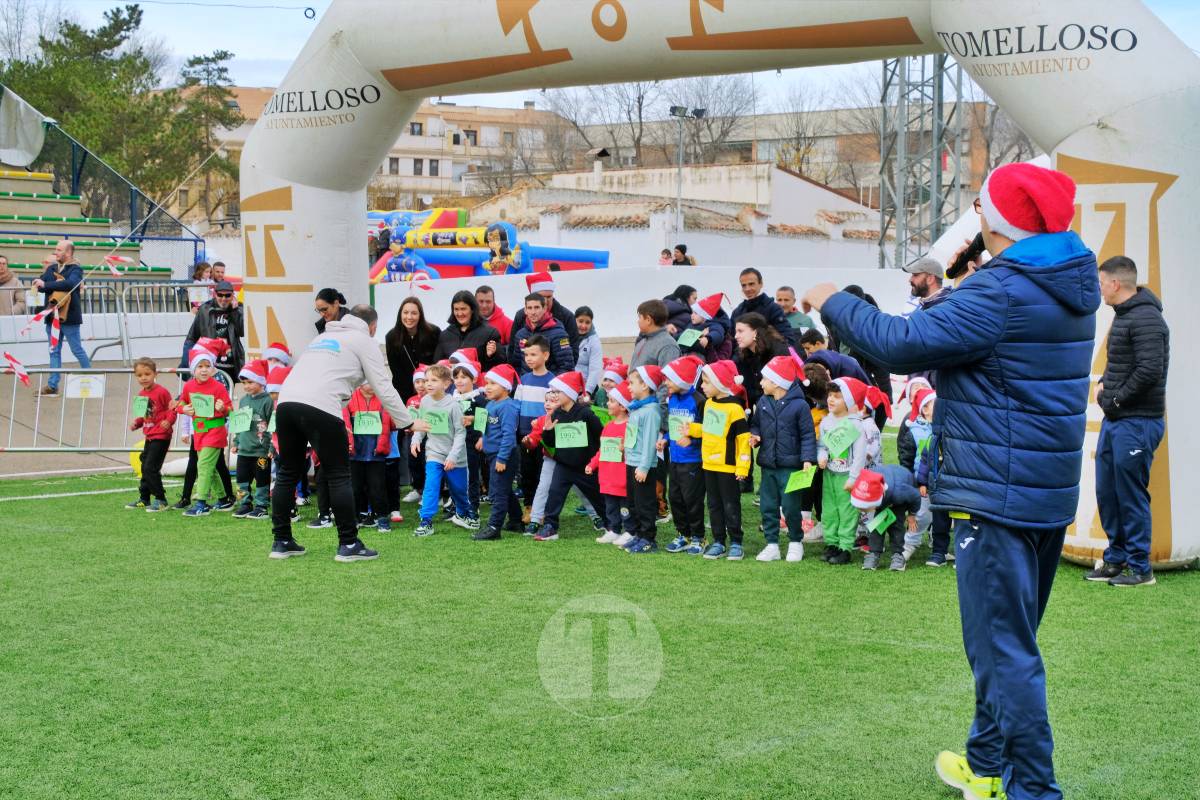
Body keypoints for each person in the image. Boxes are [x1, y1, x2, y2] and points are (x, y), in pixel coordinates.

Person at [805, 161, 1099, 800]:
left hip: (996, 493)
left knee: (1003, 655)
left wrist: (833, 300)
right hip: (1037, 492)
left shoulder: (1002, 290)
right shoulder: (1057, 280)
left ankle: (1032, 791)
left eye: (981, 205)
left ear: (995, 219)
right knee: (1007, 646)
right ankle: (987, 764)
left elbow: (902, 343)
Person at [270, 304, 425, 562]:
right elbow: (383, 387)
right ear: (372, 327)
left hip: (286, 405)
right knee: (339, 475)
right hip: (321, 406)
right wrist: (407, 422)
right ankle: (349, 544)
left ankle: (281, 541)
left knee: (286, 473)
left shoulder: (321, 338)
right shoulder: (364, 341)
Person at [1089, 255, 1169, 587]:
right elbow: (1126, 362)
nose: (1099, 288)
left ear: (1115, 283)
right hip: (1117, 421)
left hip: (1137, 422)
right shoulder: (1125, 316)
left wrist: (1116, 397)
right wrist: (1105, 383)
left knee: (1130, 494)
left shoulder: (1147, 318)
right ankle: (1116, 559)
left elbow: (1150, 370)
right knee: (1108, 491)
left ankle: (1140, 568)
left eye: (1101, 282)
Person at [751, 355, 817, 563]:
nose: (761, 383)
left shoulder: (800, 406)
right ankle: (771, 544)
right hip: (768, 464)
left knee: (790, 506)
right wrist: (755, 435)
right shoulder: (763, 402)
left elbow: (808, 435)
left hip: (791, 466)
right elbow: (756, 424)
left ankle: (795, 542)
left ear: (777, 382)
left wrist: (807, 459)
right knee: (768, 505)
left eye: (765, 379)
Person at [537, 371, 606, 541]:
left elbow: (600, 435)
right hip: (563, 465)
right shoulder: (556, 414)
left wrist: (594, 461)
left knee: (597, 497)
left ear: (569, 393)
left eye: (557, 392)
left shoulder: (586, 413)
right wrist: (547, 432)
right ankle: (550, 527)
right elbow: (551, 442)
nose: (554, 395)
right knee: (554, 494)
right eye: (552, 392)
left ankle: (611, 524)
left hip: (585, 467)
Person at [630, 299, 681, 520]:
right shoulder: (642, 340)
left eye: (639, 316)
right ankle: (643, 502)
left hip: (655, 412)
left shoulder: (667, 345)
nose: (637, 321)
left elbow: (666, 382)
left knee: (656, 458)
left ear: (648, 319)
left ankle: (660, 505)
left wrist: (656, 410)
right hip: (639, 408)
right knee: (640, 453)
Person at [411, 363, 475, 536]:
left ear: (446, 384)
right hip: (434, 453)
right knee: (431, 486)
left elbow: (461, 434)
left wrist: (453, 456)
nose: (428, 384)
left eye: (434, 380)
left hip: (456, 458)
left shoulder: (454, 405)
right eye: (426, 380)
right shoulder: (424, 401)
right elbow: (421, 424)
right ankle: (426, 521)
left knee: (459, 490)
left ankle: (463, 513)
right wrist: (415, 440)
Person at [696, 360, 751, 561]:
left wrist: (742, 466)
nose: (702, 386)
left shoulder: (735, 409)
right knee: (713, 504)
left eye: (706, 382)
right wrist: (691, 430)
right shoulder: (708, 404)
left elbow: (743, 440)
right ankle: (718, 541)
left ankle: (736, 542)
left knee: (730, 504)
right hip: (708, 464)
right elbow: (707, 429)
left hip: (728, 467)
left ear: (719, 384)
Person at [815, 378, 872, 565]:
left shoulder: (855, 425)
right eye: (830, 396)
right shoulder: (825, 422)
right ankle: (831, 543)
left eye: (837, 397)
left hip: (847, 476)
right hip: (830, 474)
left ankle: (845, 547)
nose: (831, 400)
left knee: (847, 512)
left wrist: (854, 478)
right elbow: (822, 445)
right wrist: (821, 456)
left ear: (848, 400)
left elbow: (860, 455)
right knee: (829, 510)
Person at [178, 343, 233, 517]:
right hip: (199, 433)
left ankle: (201, 503)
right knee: (211, 467)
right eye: (200, 366)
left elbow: (230, 409)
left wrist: (223, 407)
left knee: (203, 466)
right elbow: (180, 403)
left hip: (215, 431)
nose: (204, 370)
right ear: (193, 369)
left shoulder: (218, 387)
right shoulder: (188, 386)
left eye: (207, 366)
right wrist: (183, 409)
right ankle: (223, 500)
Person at [660, 355, 707, 556]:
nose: (665, 383)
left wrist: (693, 440)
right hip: (675, 458)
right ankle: (683, 534)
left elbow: (709, 431)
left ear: (681, 380)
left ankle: (698, 537)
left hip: (693, 461)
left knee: (692, 500)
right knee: (675, 498)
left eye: (669, 379)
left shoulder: (699, 401)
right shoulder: (672, 399)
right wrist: (666, 438)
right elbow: (675, 426)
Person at [32, 240, 90, 397]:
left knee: (76, 349)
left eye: (58, 250)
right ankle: (52, 385)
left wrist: (48, 284)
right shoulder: (52, 267)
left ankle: (90, 379)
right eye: (56, 249)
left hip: (69, 317)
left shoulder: (76, 269)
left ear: (68, 253)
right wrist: (52, 283)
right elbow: (41, 282)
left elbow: (70, 284)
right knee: (54, 351)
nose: (55, 252)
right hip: (52, 316)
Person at [474, 364, 522, 541]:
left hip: (504, 455)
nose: (487, 386)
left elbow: (508, 436)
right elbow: (488, 427)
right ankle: (516, 520)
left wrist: (502, 458)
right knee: (504, 489)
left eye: (493, 383)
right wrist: (482, 439)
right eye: (486, 382)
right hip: (493, 454)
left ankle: (494, 527)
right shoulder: (490, 404)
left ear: (505, 387)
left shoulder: (507, 407)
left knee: (497, 492)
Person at [621, 365, 665, 554]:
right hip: (632, 462)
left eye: (632, 383)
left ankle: (648, 539)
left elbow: (649, 441)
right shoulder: (637, 409)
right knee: (634, 502)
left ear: (645, 385)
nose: (628, 387)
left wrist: (644, 466)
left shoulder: (651, 411)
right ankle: (639, 534)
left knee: (645, 503)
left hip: (642, 465)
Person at [515, 335, 556, 529]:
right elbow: (516, 406)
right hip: (525, 437)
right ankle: (529, 507)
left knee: (543, 475)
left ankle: (544, 511)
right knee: (527, 473)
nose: (529, 358)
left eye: (533, 354)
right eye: (526, 355)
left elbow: (555, 409)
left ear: (546, 355)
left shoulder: (554, 382)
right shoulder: (523, 380)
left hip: (544, 438)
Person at [850, 467, 923, 572]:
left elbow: (916, 496)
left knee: (896, 525)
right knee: (877, 525)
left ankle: (898, 555)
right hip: (884, 495)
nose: (863, 511)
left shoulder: (899, 493)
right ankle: (873, 553)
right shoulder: (868, 485)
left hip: (899, 495)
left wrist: (912, 515)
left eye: (865, 508)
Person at [126, 357, 175, 512]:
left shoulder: (162, 392)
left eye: (147, 374)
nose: (144, 378)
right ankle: (144, 498)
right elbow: (143, 415)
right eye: (140, 375)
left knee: (150, 467)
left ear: (155, 374)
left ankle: (161, 499)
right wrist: (137, 423)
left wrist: (169, 421)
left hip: (161, 436)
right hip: (149, 436)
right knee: (144, 466)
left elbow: (172, 410)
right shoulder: (141, 394)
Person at [230, 359, 275, 520]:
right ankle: (245, 504)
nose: (247, 386)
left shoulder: (268, 401)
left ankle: (261, 506)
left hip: (261, 451)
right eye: (244, 382)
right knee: (242, 479)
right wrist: (236, 442)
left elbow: (272, 425)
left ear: (261, 381)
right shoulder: (243, 400)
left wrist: (272, 447)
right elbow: (239, 424)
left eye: (250, 381)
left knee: (262, 479)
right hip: (244, 450)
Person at [590, 382, 633, 544]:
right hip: (607, 476)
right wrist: (592, 464)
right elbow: (602, 450)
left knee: (625, 507)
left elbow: (631, 450)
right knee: (610, 506)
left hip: (621, 476)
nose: (607, 403)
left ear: (622, 406)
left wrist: (624, 450)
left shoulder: (629, 426)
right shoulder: (607, 426)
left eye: (612, 401)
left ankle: (630, 531)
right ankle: (614, 529)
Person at [509, 272, 580, 359]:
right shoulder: (521, 316)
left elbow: (573, 353)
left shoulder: (567, 316)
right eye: (542, 297)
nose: (546, 301)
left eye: (549, 296)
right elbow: (512, 349)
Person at [184, 280, 244, 380]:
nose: (223, 299)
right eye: (220, 295)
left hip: (230, 361)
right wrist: (186, 360)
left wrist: (234, 311)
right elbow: (192, 336)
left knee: (225, 392)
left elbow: (242, 332)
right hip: (209, 360)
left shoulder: (239, 309)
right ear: (215, 294)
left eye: (227, 295)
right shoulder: (205, 309)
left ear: (233, 295)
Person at [384, 296, 440, 402]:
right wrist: (415, 389)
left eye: (414, 313)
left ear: (420, 315)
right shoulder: (391, 337)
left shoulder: (434, 332)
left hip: (432, 389)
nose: (409, 317)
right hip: (405, 392)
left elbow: (437, 363)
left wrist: (427, 385)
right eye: (405, 312)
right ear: (400, 314)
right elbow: (396, 371)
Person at [732, 312, 789, 412]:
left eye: (740, 331)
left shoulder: (778, 352)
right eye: (736, 331)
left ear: (755, 332)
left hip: (781, 408)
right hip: (760, 408)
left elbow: (782, 390)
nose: (736, 336)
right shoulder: (743, 355)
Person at [453, 361, 487, 525]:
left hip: (471, 443)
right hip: (454, 444)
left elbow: (483, 421)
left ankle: (473, 508)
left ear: (473, 379)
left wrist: (482, 438)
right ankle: (459, 508)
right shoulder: (452, 399)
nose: (459, 380)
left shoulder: (479, 399)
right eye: (456, 377)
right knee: (455, 477)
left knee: (472, 476)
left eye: (464, 377)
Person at [433, 290, 502, 370]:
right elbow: (436, 366)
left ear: (472, 309)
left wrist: (491, 356)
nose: (459, 313)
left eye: (463, 309)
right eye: (456, 309)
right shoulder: (445, 335)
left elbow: (499, 366)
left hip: (478, 381)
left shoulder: (490, 333)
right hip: (450, 381)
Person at [509, 294, 573, 375]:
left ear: (544, 309)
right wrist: (520, 384)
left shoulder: (559, 334)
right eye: (529, 308)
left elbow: (567, 367)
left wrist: (552, 385)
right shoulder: (520, 334)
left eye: (537, 307)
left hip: (549, 386)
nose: (533, 312)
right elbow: (516, 365)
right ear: (525, 310)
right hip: (526, 385)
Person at [731, 267, 794, 344]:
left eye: (751, 284)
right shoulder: (737, 312)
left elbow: (788, 339)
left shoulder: (774, 309)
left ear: (761, 283)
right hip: (741, 355)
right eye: (744, 285)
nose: (747, 289)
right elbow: (732, 341)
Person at [797, 329, 871, 384]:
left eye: (808, 348)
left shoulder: (842, 365)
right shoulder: (835, 357)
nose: (807, 353)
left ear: (818, 344)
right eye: (804, 349)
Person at [679, 292, 732, 363]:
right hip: (684, 354)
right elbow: (682, 335)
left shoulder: (714, 325)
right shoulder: (691, 324)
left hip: (700, 359)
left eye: (696, 313)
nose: (692, 315)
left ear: (705, 317)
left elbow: (717, 333)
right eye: (692, 313)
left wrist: (708, 338)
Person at [574, 305, 603, 398]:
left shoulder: (594, 341)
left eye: (587, 322)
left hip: (585, 388)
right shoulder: (567, 336)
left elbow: (595, 369)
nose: (583, 326)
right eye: (580, 321)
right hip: (568, 385)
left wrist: (588, 391)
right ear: (574, 320)